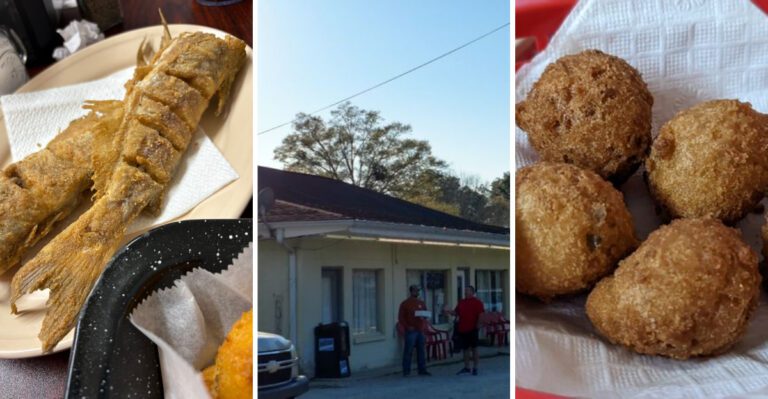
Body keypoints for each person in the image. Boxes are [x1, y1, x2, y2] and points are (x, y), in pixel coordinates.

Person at [449, 286, 485, 376]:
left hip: (473, 328)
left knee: (474, 348)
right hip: (463, 328)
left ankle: (475, 367)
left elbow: (481, 314)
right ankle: (467, 367)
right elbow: (456, 313)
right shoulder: (462, 302)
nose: (465, 292)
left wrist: (479, 325)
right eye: (465, 291)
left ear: (472, 292)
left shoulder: (477, 302)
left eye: (467, 291)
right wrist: (448, 311)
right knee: (465, 349)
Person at [397, 285, 431, 377]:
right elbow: (401, 317)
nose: (417, 292)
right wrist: (407, 326)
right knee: (408, 350)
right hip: (411, 330)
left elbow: (426, 314)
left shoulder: (421, 303)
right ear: (411, 291)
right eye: (415, 290)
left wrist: (424, 317)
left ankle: (422, 370)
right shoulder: (405, 303)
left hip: (420, 330)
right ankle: (406, 371)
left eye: (418, 291)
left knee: (421, 350)